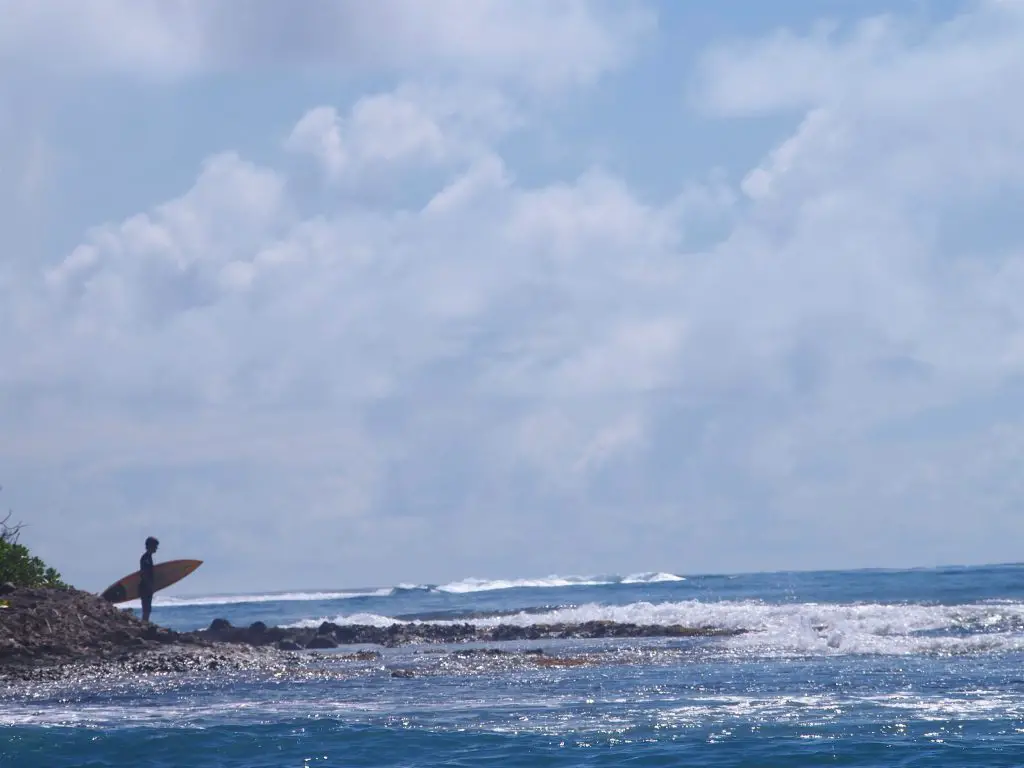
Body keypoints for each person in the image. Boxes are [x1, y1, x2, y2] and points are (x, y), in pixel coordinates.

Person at [139, 536, 159, 622]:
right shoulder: (145, 558)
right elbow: (144, 574)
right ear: (150, 546)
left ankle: (145, 624)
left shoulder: (148, 557)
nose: (156, 548)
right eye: (155, 546)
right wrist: (149, 586)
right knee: (146, 609)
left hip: (146, 587)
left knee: (147, 609)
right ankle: (144, 624)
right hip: (145, 587)